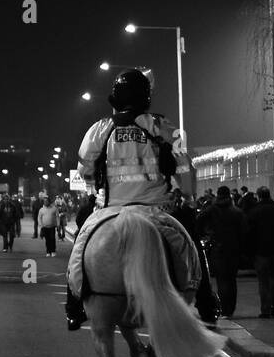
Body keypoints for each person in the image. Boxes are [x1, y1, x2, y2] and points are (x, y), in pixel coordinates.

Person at [68, 68, 198, 329]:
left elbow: (85, 170)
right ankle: (206, 301)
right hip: (158, 210)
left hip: (109, 209)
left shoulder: (99, 130)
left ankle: (74, 305)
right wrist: (187, 196)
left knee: (79, 248)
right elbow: (186, 169)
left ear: (115, 98)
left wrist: (98, 184)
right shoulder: (164, 127)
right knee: (193, 242)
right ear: (146, 98)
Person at [196, 186, 247, 319]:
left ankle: (224, 309)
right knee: (232, 280)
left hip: (218, 249)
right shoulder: (237, 212)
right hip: (234, 250)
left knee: (222, 280)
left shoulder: (213, 209)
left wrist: (207, 234)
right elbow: (244, 232)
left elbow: (198, 220)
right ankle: (230, 309)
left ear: (218, 195)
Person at [246, 186, 274, 318]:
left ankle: (265, 309)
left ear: (259, 196)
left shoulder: (254, 212)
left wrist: (250, 252)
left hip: (260, 252)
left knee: (263, 281)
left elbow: (250, 234)